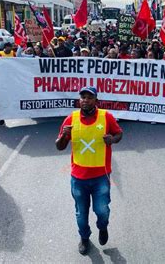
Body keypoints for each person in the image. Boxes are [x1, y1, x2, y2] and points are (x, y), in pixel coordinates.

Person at [55, 87, 123, 255]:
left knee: (102, 211)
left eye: (89, 97)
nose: (85, 100)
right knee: (81, 214)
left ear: (96, 101)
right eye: (82, 97)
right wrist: (64, 136)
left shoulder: (106, 117)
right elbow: (59, 146)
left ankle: (102, 227)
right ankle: (84, 238)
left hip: (101, 176)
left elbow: (119, 133)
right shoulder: (72, 119)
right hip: (78, 178)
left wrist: (112, 139)